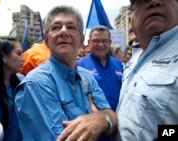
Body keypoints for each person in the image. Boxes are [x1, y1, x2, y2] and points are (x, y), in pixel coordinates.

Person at [15, 5, 117, 141]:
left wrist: (101, 119)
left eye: (71, 27)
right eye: (56, 27)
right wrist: (103, 119)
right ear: (46, 40)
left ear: (81, 40)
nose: (63, 32)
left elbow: (113, 117)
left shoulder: (87, 76)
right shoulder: (36, 83)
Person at [116, 0, 178, 140]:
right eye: (142, 0)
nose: (154, 2)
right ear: (131, 19)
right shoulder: (134, 58)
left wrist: (159, 134)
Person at [77, 26, 123, 112]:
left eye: (105, 41)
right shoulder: (79, 65)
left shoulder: (118, 64)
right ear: (89, 42)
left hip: (119, 118)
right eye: (96, 41)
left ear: (110, 43)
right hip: (94, 119)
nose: (101, 44)